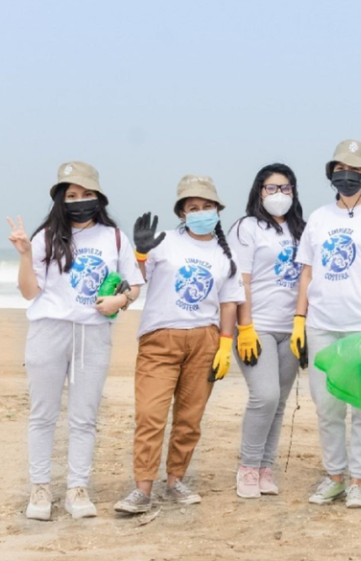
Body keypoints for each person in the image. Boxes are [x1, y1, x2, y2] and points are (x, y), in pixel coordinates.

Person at [7, 161, 144, 520]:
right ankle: (40, 488)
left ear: (98, 198)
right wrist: (24, 255)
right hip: (48, 330)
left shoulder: (113, 237)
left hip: (93, 334)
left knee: (84, 416)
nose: (79, 200)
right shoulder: (45, 237)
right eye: (72, 195)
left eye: (86, 194)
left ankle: (76, 487)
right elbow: (28, 292)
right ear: (60, 199)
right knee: (43, 413)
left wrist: (120, 300)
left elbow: (134, 284)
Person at [113, 175, 243, 514]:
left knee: (189, 418)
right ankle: (142, 488)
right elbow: (135, 280)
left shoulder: (225, 254)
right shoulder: (164, 241)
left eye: (207, 206)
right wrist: (141, 251)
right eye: (193, 207)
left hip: (205, 341)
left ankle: (175, 480)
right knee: (150, 414)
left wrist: (226, 345)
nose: (201, 212)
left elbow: (229, 302)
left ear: (217, 210)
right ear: (182, 213)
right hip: (160, 339)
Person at [292, 139, 361, 509]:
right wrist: (299, 319)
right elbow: (307, 273)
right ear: (331, 173)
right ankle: (335, 476)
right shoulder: (319, 218)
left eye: (354, 170)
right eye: (339, 169)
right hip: (322, 325)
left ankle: (358, 480)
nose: (346, 175)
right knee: (327, 406)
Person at [229, 163, 307, 498]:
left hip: (291, 328)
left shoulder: (301, 229)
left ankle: (265, 467)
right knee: (265, 395)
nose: (279, 194)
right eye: (272, 188)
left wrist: (304, 321)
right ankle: (247, 467)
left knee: (279, 402)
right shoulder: (247, 228)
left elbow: (308, 277)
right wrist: (244, 326)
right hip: (256, 326)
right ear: (259, 191)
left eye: (285, 188)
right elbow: (240, 280)